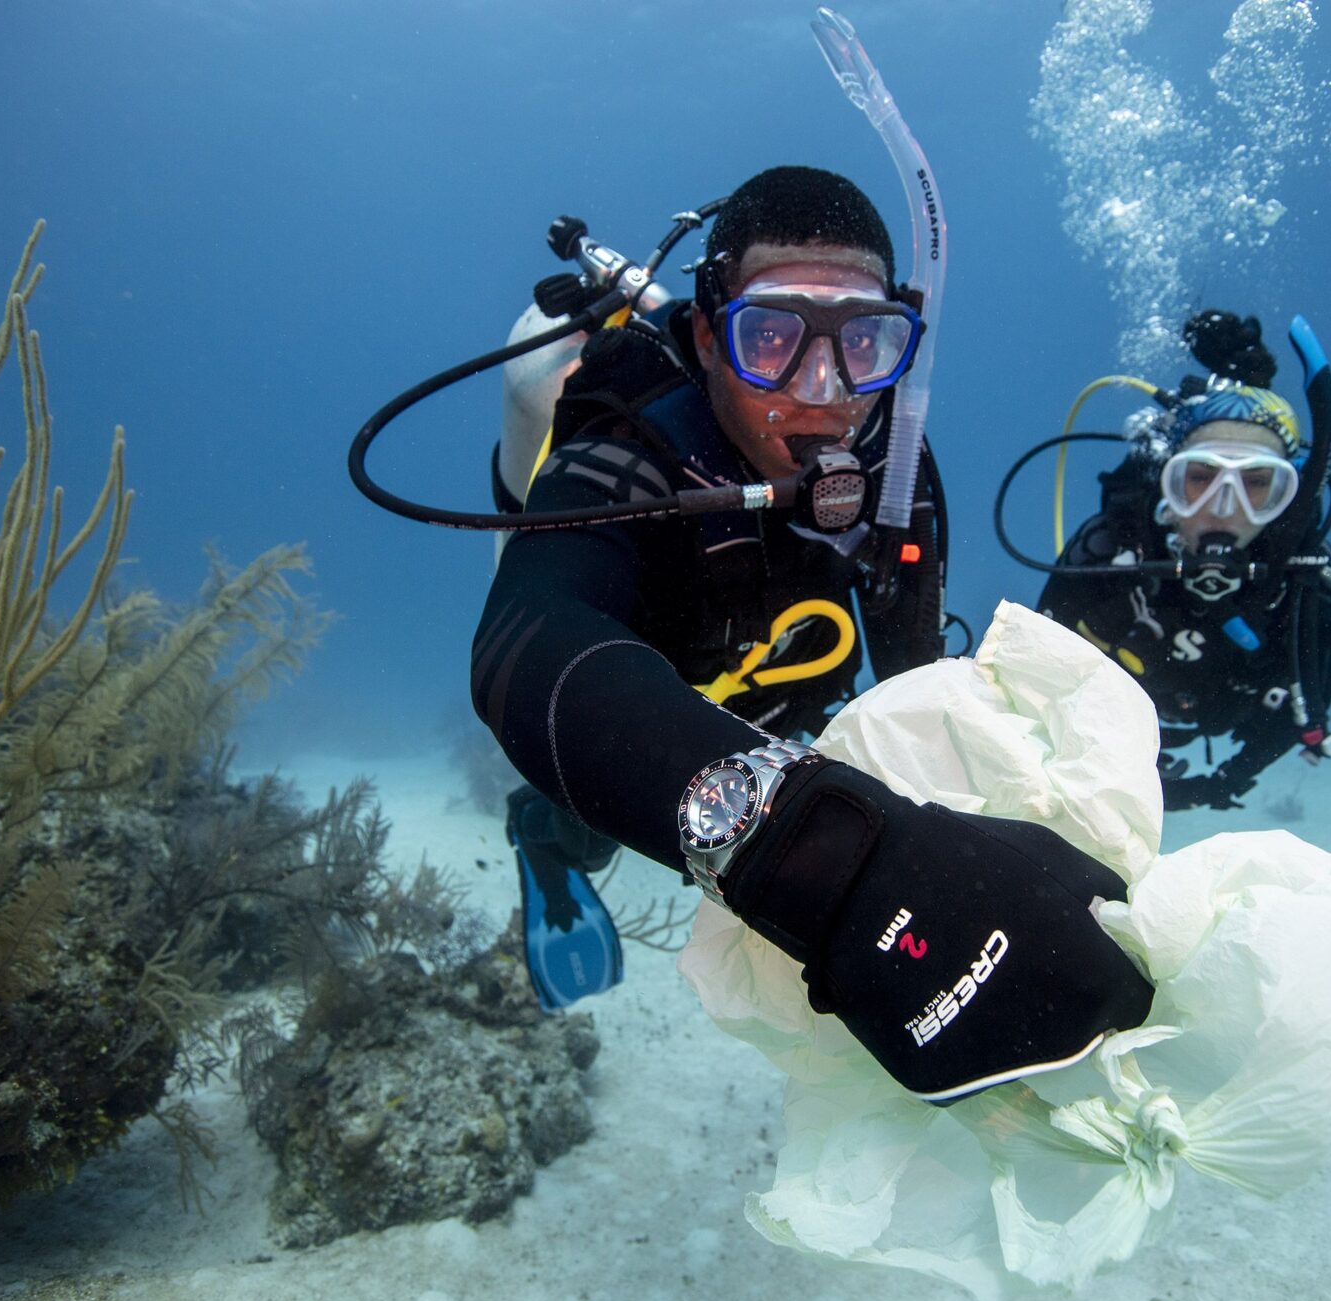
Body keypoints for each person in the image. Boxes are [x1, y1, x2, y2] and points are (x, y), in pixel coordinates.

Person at [471, 166, 1153, 1102]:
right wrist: (825, 858)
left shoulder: (895, 467)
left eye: (865, 342)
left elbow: (919, 690)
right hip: (636, 689)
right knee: (586, 826)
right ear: (710, 336)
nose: (826, 390)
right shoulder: (628, 452)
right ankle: (543, 848)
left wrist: (962, 863)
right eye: (774, 338)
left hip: (774, 706)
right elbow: (528, 645)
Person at [1036, 311, 1331, 812]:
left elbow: (1306, 713)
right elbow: (1033, 689)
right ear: (1166, 481)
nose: (1225, 508)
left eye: (1257, 483)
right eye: (1200, 477)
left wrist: (1222, 781)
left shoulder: (1306, 578)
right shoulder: (1105, 555)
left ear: (1288, 497)